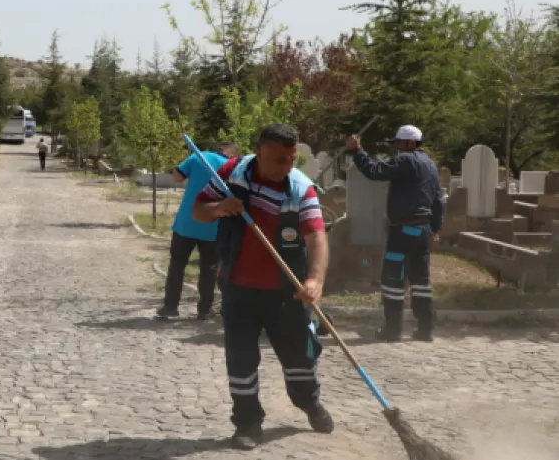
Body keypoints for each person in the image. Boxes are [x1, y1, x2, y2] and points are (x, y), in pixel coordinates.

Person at [193, 124, 334, 450]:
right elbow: (198, 212)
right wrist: (218, 208)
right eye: (278, 160)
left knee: (300, 358)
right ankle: (247, 422)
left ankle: (308, 401)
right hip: (238, 288)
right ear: (259, 153)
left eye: (291, 159)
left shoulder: (301, 189)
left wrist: (315, 280)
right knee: (241, 360)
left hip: (287, 292)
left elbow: (316, 238)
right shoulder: (231, 174)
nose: (286, 166)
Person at [346, 124, 443, 342]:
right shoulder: (430, 165)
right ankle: (425, 329)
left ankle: (392, 330)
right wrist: (436, 227)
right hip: (423, 230)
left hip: (404, 230)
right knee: (421, 280)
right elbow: (438, 200)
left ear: (409, 143)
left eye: (398, 143)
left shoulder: (405, 160)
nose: (396, 148)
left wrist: (357, 151)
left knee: (392, 278)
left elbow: (375, 171)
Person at [156, 141, 239, 321]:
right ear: (232, 154)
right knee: (209, 268)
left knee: (177, 265)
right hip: (212, 223)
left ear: (219, 148)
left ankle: (170, 307)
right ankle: (204, 309)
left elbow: (176, 176)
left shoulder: (199, 157)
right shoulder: (233, 167)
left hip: (187, 221)